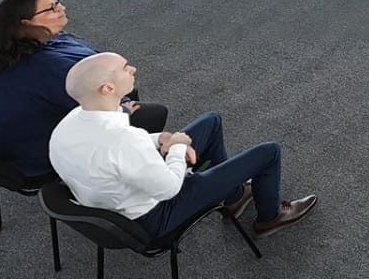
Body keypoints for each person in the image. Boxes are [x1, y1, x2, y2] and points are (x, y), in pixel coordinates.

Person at [48, 53, 315, 238]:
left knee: (211, 122)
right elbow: (169, 188)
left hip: (120, 198)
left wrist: (160, 139)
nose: (132, 69)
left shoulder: (67, 124)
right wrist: (177, 146)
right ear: (107, 88)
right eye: (125, 68)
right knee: (268, 152)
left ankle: (233, 197)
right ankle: (269, 218)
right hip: (154, 215)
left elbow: (121, 152)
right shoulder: (122, 142)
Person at [0, 0, 170, 177]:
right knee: (151, 113)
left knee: (129, 97)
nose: (62, 8)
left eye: (58, 1)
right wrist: (121, 110)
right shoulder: (50, 67)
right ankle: (138, 169)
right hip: (35, 155)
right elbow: (93, 109)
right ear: (27, 23)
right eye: (52, 8)